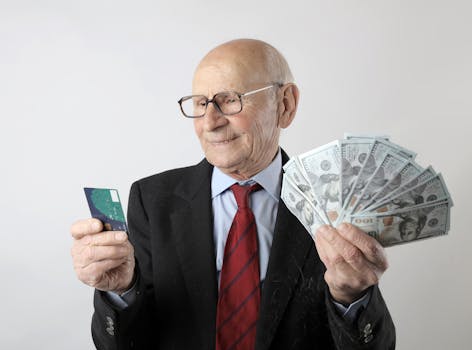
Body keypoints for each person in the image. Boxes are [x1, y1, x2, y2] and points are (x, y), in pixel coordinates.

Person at [70, 39, 395, 349]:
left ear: (286, 104)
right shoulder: (152, 200)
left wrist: (352, 298)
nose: (210, 122)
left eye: (229, 99)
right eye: (200, 103)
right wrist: (121, 292)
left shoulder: (337, 203)